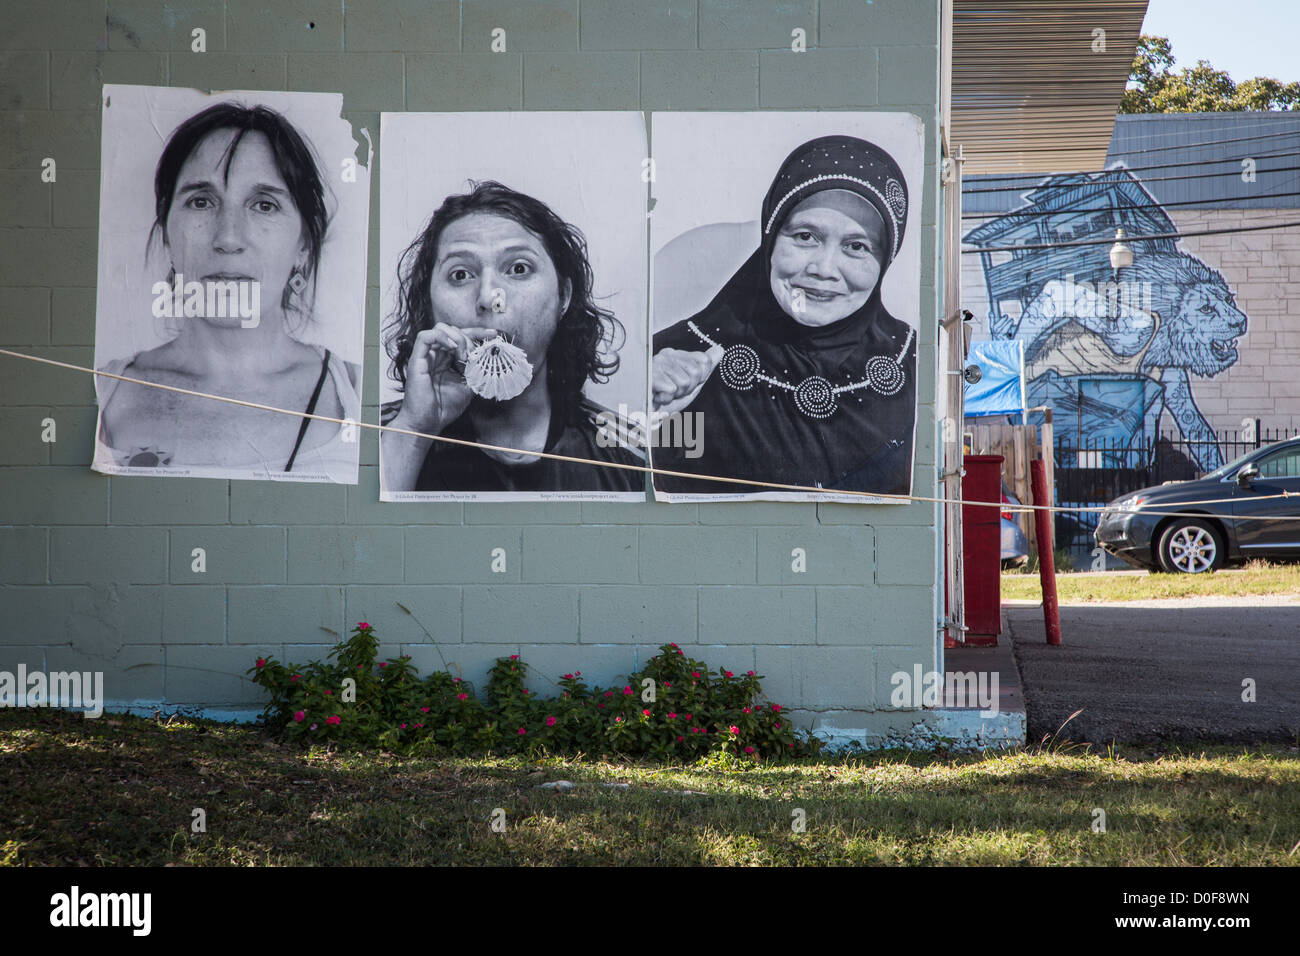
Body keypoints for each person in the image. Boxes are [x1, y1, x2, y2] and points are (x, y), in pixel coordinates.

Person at [94, 101, 360, 480]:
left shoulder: (357, 394)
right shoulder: (101, 395)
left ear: (303, 242)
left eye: (264, 205)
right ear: (168, 230)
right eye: (201, 202)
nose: (228, 238)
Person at [651, 134, 917, 497]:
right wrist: (641, 405)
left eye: (856, 247)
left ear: (884, 260)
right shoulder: (675, 361)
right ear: (772, 238)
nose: (824, 269)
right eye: (805, 236)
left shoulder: (917, 365)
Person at [380, 180, 643, 493]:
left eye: (518, 268)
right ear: (429, 304)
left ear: (564, 296)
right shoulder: (377, 438)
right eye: (460, 274)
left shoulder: (631, 452)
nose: (489, 297)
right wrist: (414, 431)